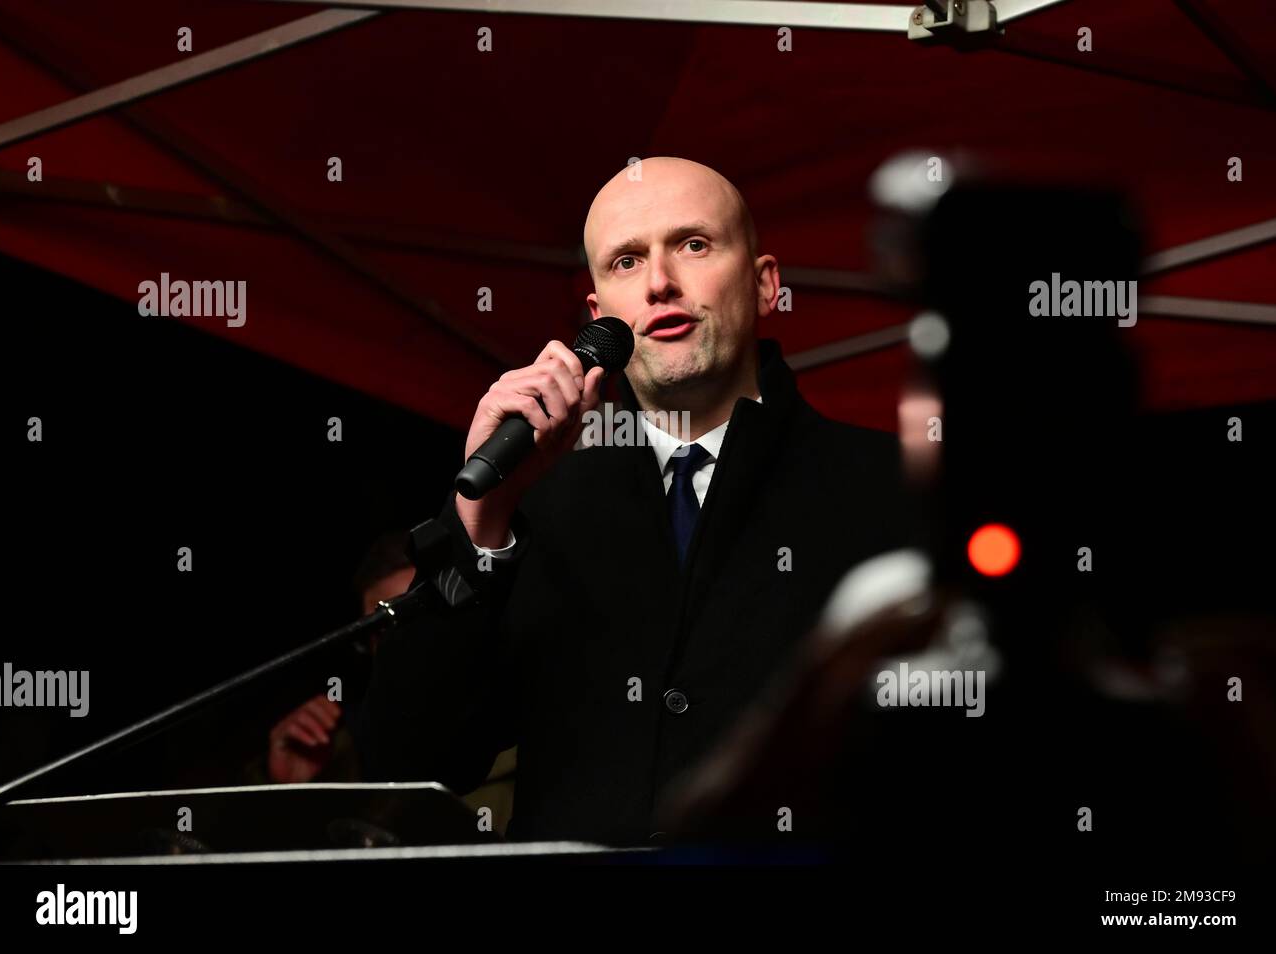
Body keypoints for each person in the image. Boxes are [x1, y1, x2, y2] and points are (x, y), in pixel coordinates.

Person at [358, 157, 911, 845]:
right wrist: (474, 528)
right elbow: (408, 766)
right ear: (597, 314)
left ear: (766, 283)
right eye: (625, 261)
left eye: (694, 244)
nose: (659, 283)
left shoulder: (895, 488)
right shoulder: (534, 505)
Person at [262, 531, 517, 834]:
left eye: (419, 624)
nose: (402, 647)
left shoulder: (539, 738)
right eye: (381, 631)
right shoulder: (339, 748)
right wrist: (289, 793)